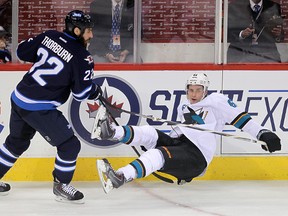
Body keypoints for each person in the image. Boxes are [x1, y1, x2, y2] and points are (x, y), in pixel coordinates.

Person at [94, 72, 281, 193]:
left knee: (157, 154)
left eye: (198, 90)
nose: (194, 94)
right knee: (150, 132)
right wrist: (164, 142)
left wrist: (262, 133)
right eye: (191, 90)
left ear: (205, 90)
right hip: (181, 145)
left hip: (196, 156)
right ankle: (111, 132)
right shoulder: (184, 105)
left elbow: (241, 118)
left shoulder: (216, 101)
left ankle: (120, 176)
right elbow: (178, 133)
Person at [0, 10, 102, 203]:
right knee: (70, 145)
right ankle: (61, 185)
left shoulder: (49, 36)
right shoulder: (82, 57)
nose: (92, 35)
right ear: (78, 31)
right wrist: (94, 90)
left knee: (16, 142)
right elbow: (80, 94)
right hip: (38, 107)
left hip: (19, 97)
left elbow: (22, 51)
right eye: (89, 31)